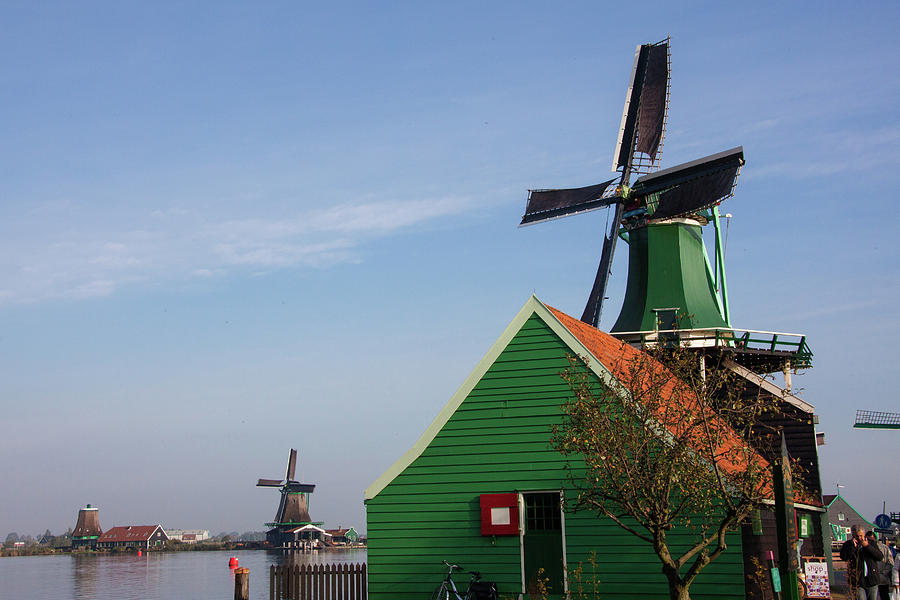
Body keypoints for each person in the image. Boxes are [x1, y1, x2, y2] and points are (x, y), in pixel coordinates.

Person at [840, 524, 883, 600]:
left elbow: (879, 557)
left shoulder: (871, 543)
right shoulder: (848, 544)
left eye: (861, 536)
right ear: (853, 535)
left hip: (872, 579)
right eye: (857, 536)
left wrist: (867, 546)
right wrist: (853, 547)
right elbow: (844, 557)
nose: (859, 538)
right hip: (857, 580)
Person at [867, 531, 893, 600]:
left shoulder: (884, 548)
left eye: (871, 540)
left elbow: (890, 563)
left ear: (875, 539)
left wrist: (883, 573)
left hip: (882, 579)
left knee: (884, 596)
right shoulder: (864, 549)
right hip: (870, 579)